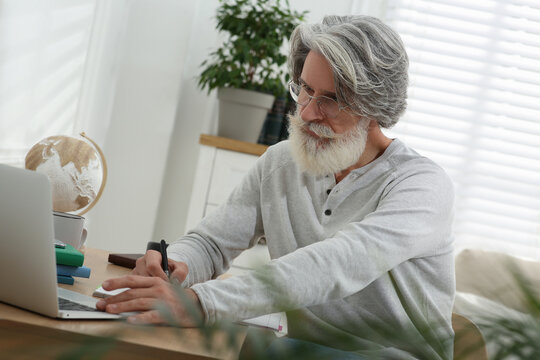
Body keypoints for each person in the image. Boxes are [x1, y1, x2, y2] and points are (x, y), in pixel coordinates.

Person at [97, 15, 455, 359]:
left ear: (373, 107)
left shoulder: (421, 187)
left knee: (252, 344)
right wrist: (177, 264)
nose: (308, 113)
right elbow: (211, 242)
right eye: (305, 90)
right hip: (298, 352)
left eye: (330, 99)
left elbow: (337, 264)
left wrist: (202, 302)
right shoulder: (281, 162)